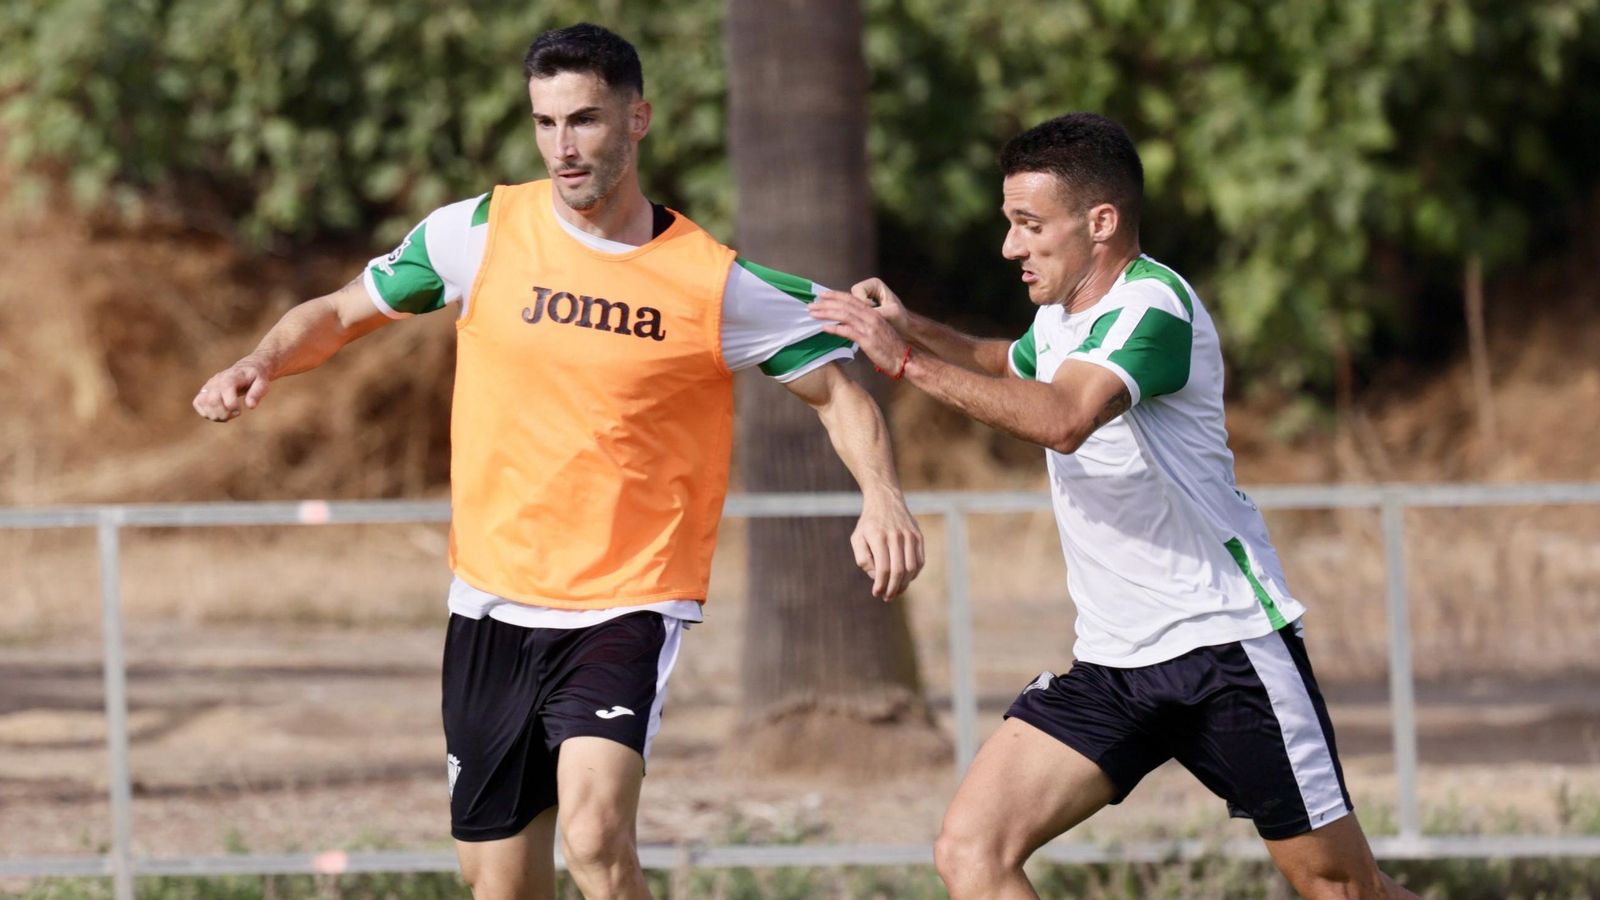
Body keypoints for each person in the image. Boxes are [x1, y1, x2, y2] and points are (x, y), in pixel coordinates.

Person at [193, 23, 924, 900]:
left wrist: (881, 495)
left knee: (594, 831)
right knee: (498, 884)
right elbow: (345, 313)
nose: (563, 148)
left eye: (583, 121)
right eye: (545, 124)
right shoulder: (476, 234)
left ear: (637, 118)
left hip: (628, 598)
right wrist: (262, 359)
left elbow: (840, 390)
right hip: (492, 599)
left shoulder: (712, 282)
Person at [810, 113, 1415, 899]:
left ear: (1100, 222)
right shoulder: (1062, 317)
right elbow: (1008, 361)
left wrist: (906, 363)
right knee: (972, 853)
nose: (1010, 247)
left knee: (1343, 890)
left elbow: (1062, 419)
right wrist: (909, 324)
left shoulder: (1153, 307)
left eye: (1029, 226)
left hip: (1224, 650)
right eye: (1008, 225)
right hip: (1115, 664)